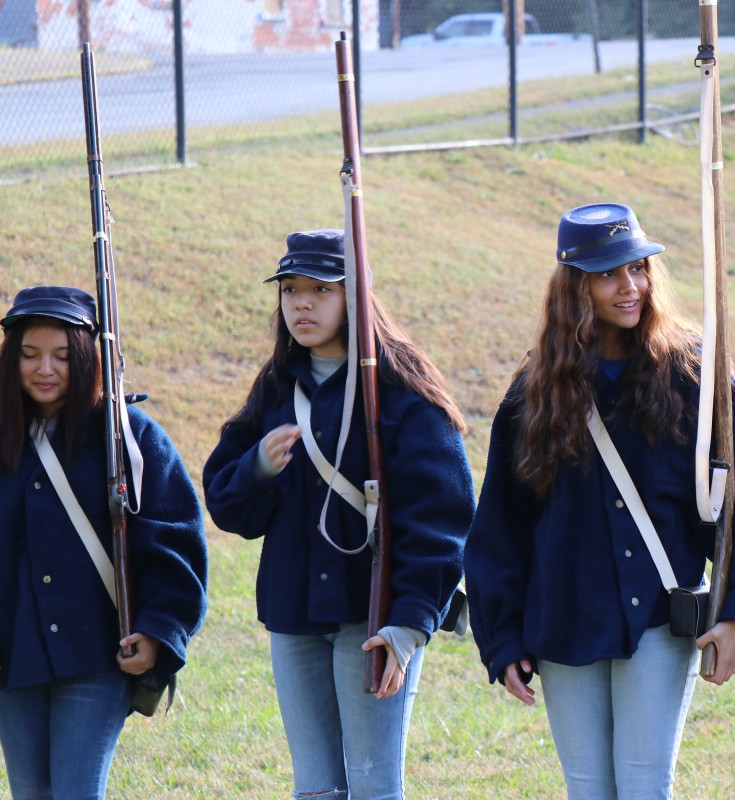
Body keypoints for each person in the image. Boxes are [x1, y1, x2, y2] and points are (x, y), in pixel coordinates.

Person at [465, 203, 735, 799]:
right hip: (564, 620)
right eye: (608, 273)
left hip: (658, 623)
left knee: (645, 787)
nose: (630, 286)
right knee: (589, 790)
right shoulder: (532, 392)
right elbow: (501, 527)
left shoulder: (695, 375)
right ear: (574, 286)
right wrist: (502, 638)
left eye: (638, 268)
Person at [203, 229, 474, 799]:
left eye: (321, 289)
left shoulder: (403, 393)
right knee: (316, 790)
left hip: (372, 620)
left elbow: (443, 521)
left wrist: (407, 625)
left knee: (374, 788)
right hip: (294, 615)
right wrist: (257, 468)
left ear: (356, 295)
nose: (301, 303)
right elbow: (228, 505)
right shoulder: (276, 388)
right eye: (291, 290)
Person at [0, 285, 208, 799]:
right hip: (12, 652)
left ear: (89, 358)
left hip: (98, 650)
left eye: (62, 356)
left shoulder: (130, 436)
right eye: (29, 354)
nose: (44, 368)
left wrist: (160, 630)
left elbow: (174, 540)